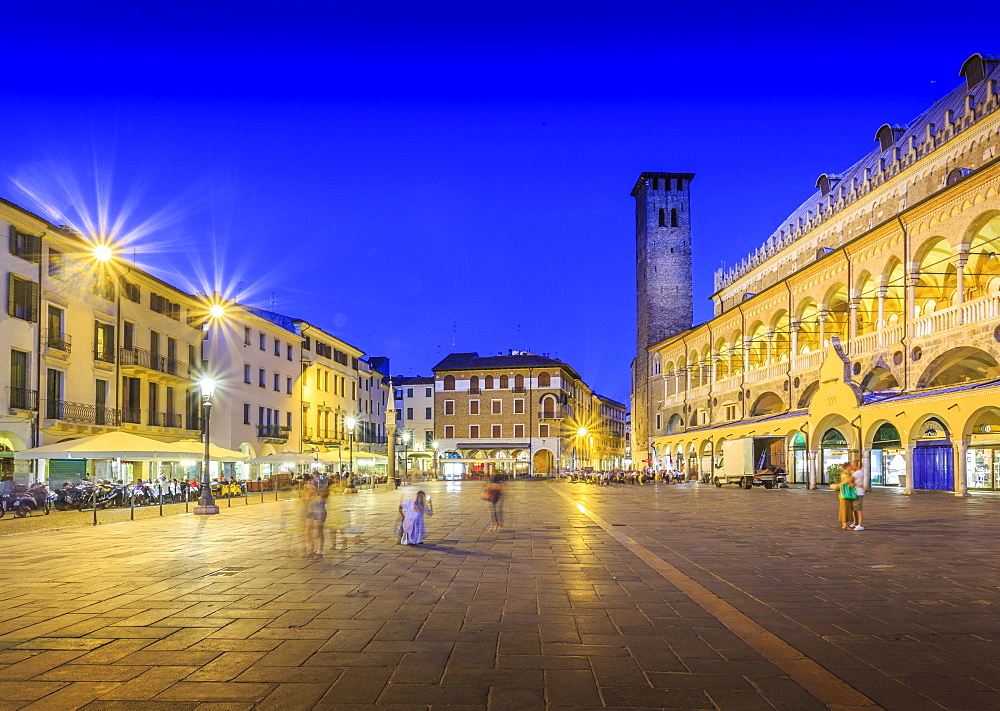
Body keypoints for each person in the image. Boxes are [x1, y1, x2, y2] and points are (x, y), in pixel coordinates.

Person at [304, 485, 329, 557]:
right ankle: (311, 549)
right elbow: (307, 501)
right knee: (308, 532)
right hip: (311, 513)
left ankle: (319, 551)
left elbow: (323, 497)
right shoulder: (311, 494)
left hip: (319, 513)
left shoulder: (322, 495)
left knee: (318, 532)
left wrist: (314, 491)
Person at [830, 465, 856, 530]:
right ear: (847, 467)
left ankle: (845, 524)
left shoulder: (844, 474)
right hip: (846, 494)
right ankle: (845, 525)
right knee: (845, 509)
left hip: (843, 493)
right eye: (850, 466)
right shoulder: (846, 475)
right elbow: (850, 483)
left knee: (844, 509)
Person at [850, 460, 865, 531]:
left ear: (857, 465)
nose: (851, 466)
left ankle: (860, 524)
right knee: (855, 509)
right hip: (856, 492)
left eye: (853, 465)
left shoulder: (857, 473)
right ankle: (855, 522)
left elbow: (848, 480)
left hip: (858, 492)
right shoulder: (860, 472)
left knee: (858, 509)